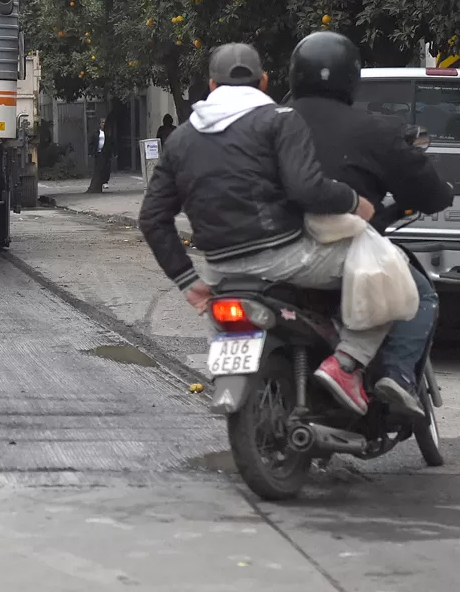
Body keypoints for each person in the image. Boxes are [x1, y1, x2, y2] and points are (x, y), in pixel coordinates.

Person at [139, 42, 382, 414]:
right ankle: (348, 361)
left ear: (212, 86)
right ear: (264, 82)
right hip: (286, 259)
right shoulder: (280, 119)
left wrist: (188, 281)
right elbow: (307, 188)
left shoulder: (181, 139)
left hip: (221, 272)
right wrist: (353, 202)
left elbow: (152, 217)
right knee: (379, 268)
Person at [290, 31, 455, 421]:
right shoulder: (374, 131)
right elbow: (426, 190)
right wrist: (439, 194)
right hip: (334, 250)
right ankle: (394, 374)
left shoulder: (266, 125)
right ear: (352, 77)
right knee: (418, 294)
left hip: (265, 249)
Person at [85, 116, 113, 193]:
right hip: (98, 152)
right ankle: (99, 183)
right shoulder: (96, 133)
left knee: (106, 167)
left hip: (105, 152)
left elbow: (111, 143)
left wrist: (113, 152)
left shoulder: (108, 133)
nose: (104, 124)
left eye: (105, 123)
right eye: (102, 123)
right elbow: (91, 143)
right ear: (100, 124)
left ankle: (105, 181)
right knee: (99, 167)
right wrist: (90, 152)